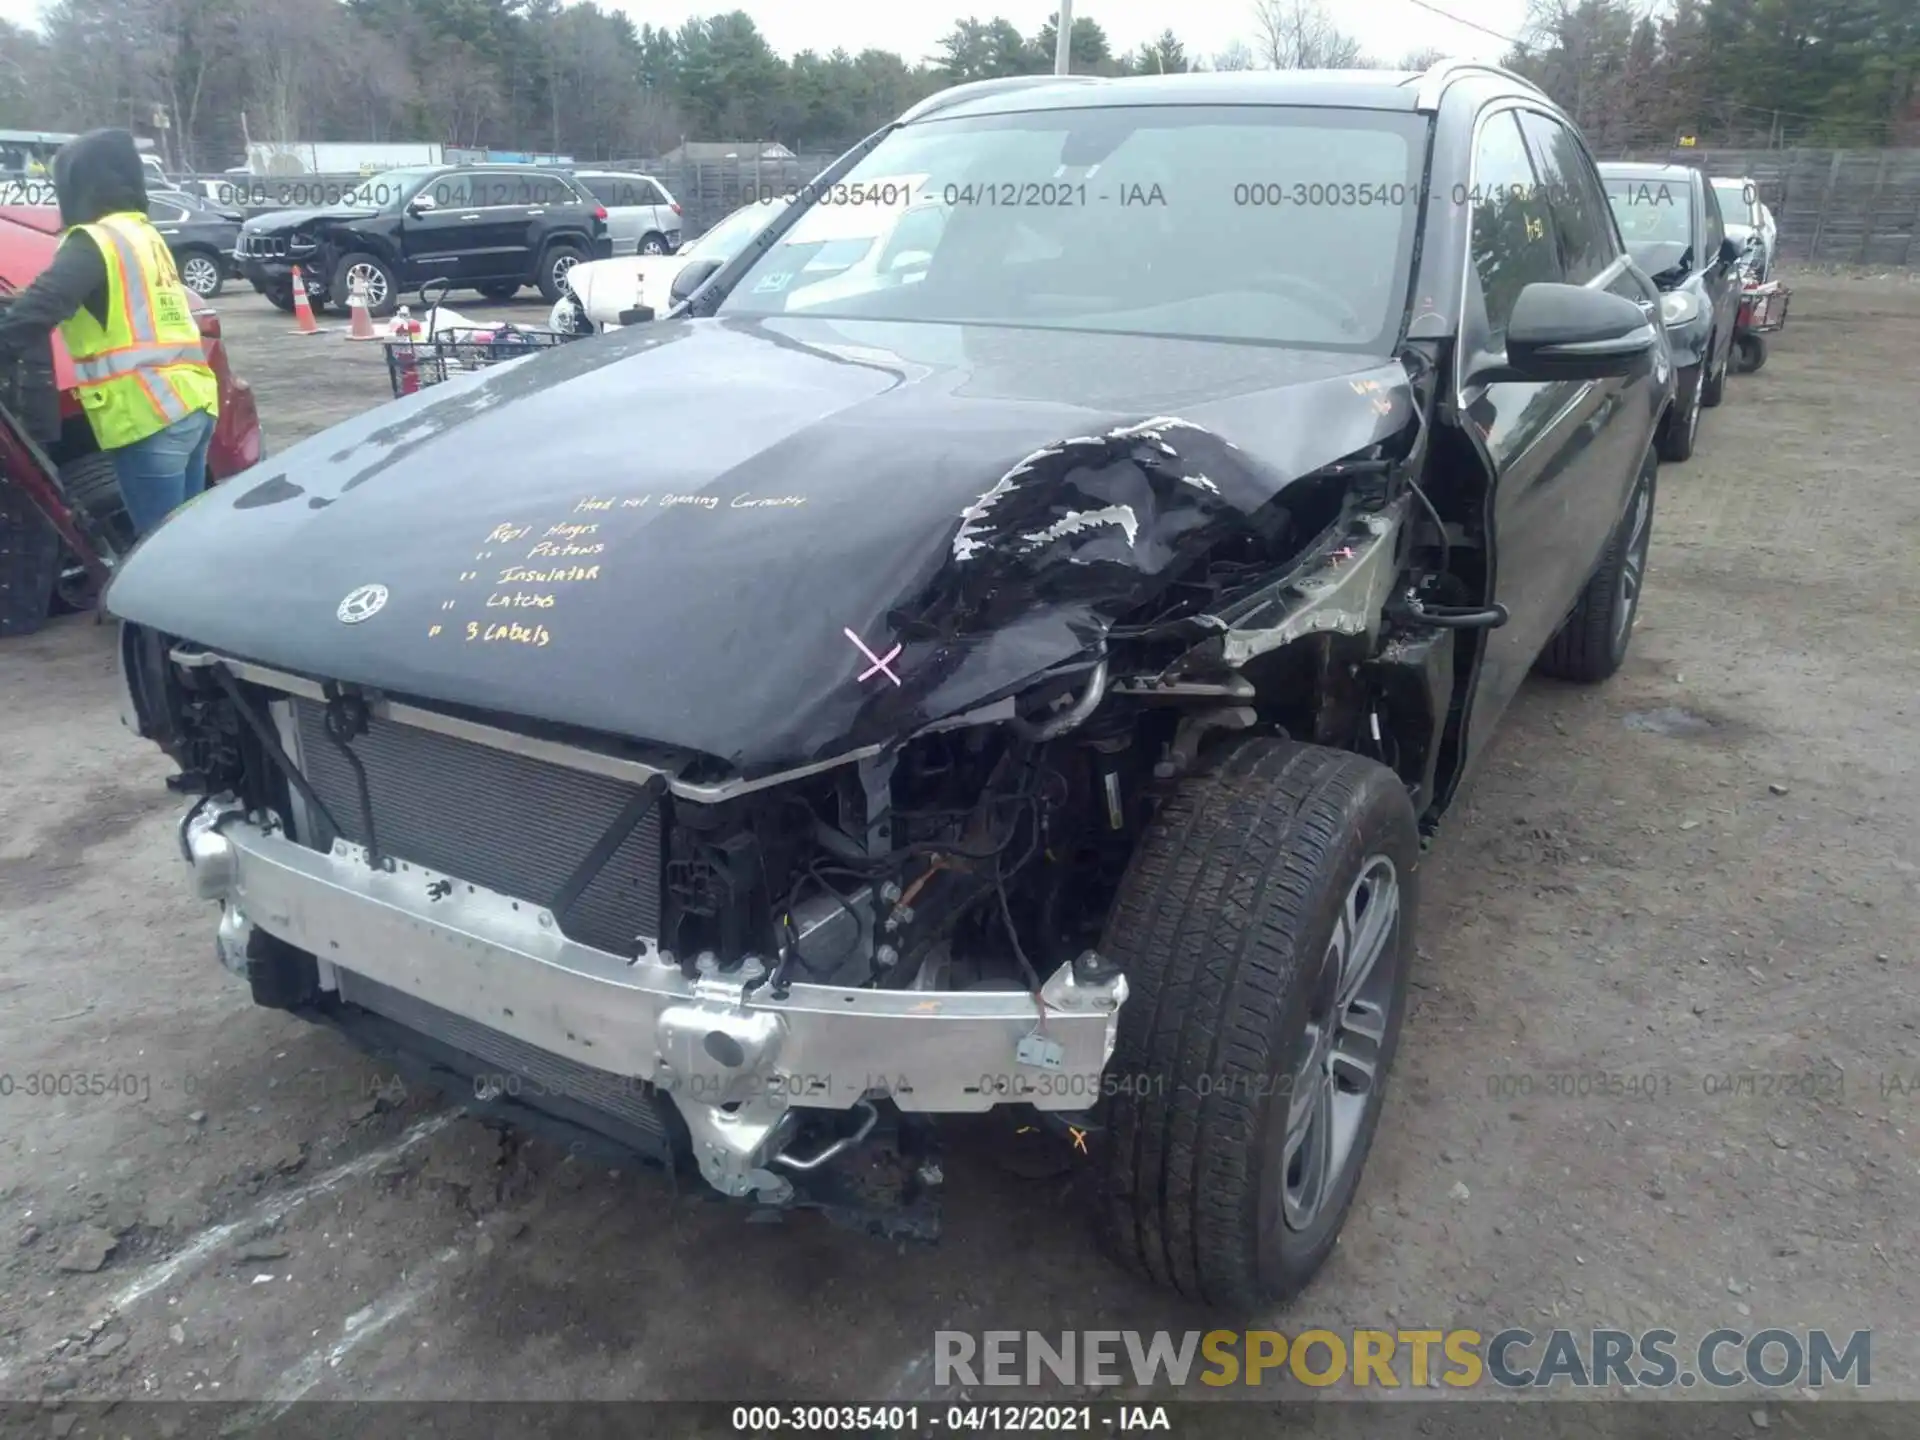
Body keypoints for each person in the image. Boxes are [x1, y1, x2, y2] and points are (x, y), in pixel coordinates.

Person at [0, 128, 218, 537]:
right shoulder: (141, 233)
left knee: (158, 553)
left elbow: (35, 312)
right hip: (192, 404)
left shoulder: (93, 241)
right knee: (188, 541)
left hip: (147, 415)